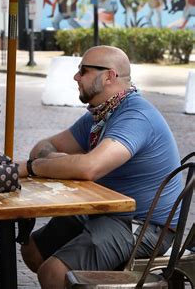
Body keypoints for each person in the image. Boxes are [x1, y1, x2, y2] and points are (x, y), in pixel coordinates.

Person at [17, 45, 182, 289]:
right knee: (33, 251)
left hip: (144, 224)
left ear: (109, 76)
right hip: (106, 211)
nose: (76, 77)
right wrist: (52, 160)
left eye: (83, 71)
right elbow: (45, 145)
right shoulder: (102, 114)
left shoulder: (135, 115)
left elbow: (89, 168)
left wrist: (31, 168)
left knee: (53, 273)